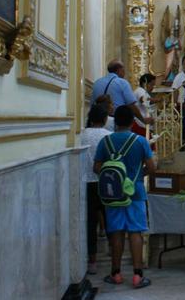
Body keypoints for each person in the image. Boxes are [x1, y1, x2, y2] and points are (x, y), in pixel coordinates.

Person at [94, 105, 155, 289]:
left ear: (114, 122)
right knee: (135, 232)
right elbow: (152, 168)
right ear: (131, 122)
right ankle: (137, 275)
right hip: (135, 192)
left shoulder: (105, 142)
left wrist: (114, 179)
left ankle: (116, 273)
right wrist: (137, 177)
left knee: (116, 233)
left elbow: (97, 167)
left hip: (113, 195)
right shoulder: (141, 141)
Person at [80, 103, 111, 275]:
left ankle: (91, 260)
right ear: (105, 119)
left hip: (86, 182)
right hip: (105, 182)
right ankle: (114, 255)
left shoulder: (81, 135)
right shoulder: (108, 136)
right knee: (110, 218)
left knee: (90, 222)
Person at [90, 60, 149, 129]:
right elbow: (131, 105)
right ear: (119, 69)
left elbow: (93, 104)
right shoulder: (122, 82)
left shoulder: (97, 82)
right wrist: (143, 120)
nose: (124, 72)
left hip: (99, 123)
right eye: (124, 69)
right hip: (116, 123)